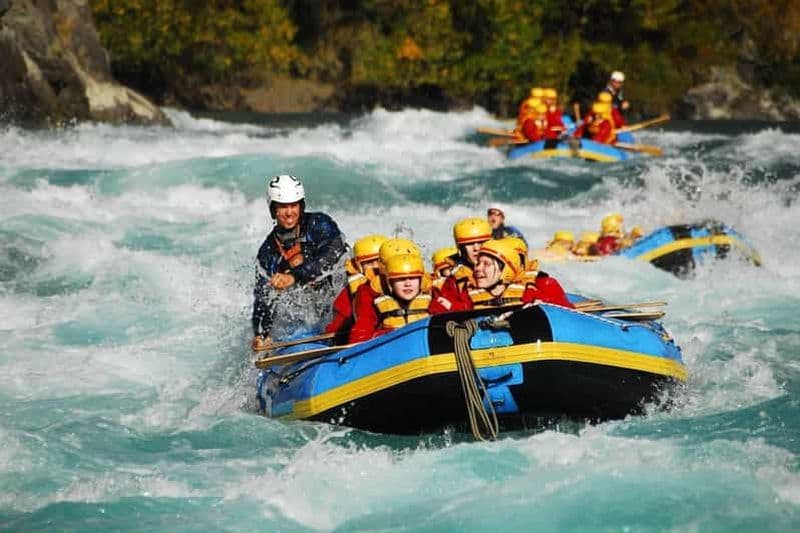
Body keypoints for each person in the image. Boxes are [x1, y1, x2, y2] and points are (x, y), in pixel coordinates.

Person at [251, 174, 347, 351]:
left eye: (293, 205)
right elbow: (262, 300)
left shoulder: (319, 224)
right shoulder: (268, 252)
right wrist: (261, 335)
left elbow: (333, 254)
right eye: (283, 207)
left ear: (301, 206)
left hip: (340, 300)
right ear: (273, 210)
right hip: (310, 319)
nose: (289, 213)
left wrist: (294, 276)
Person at [468, 239, 574, 308]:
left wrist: (544, 304)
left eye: (517, 259)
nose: (515, 265)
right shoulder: (474, 289)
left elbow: (566, 312)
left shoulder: (544, 283)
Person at [349, 253, 431, 342]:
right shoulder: (376, 301)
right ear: (390, 283)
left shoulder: (433, 299)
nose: (408, 284)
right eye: (401, 279)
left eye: (413, 278)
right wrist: (385, 335)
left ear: (421, 281)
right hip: (393, 346)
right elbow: (361, 333)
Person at [324, 234, 387, 337]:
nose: (376, 266)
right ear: (359, 267)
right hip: (363, 336)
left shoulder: (406, 284)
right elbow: (336, 326)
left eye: (379, 261)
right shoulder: (349, 294)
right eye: (369, 263)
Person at [429, 217, 492, 313]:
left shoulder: (507, 272)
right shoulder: (454, 283)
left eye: (481, 242)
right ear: (461, 249)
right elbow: (438, 309)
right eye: (470, 243)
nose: (476, 248)